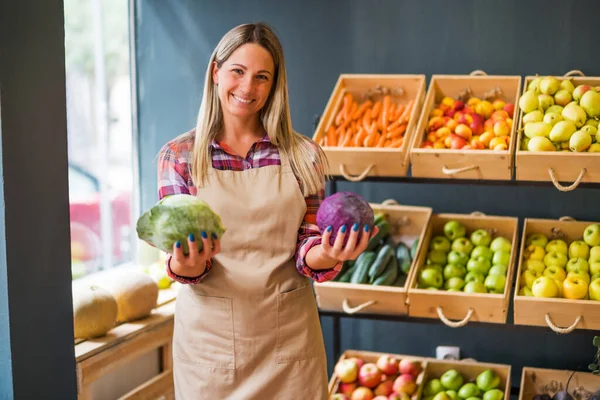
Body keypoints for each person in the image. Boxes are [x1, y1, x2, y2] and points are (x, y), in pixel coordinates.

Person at [156, 22, 378, 399]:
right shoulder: (179, 158)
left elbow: (308, 248)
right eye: (237, 72)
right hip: (210, 351)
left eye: (262, 77)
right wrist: (187, 260)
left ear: (274, 85)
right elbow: (181, 264)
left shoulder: (303, 155)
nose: (247, 88)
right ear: (216, 72)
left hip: (289, 346)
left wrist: (331, 251)